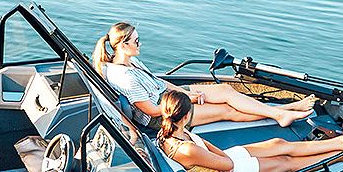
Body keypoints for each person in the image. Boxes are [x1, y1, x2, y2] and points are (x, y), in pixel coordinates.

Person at [93, 22, 317, 127]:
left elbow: (158, 82)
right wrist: (185, 99)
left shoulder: (132, 62)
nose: (140, 44)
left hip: (170, 97)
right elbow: (150, 110)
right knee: (227, 110)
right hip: (163, 114)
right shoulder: (125, 77)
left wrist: (185, 92)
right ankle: (281, 113)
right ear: (123, 45)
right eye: (136, 41)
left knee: (225, 90)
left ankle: (282, 111)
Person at [154, 90, 343, 172]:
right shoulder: (184, 148)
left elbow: (208, 147)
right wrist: (225, 163)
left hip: (218, 164)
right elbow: (225, 163)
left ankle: (342, 141)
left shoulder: (172, 131)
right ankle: (342, 155)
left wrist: (221, 158)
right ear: (184, 117)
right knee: (284, 162)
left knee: (278, 143)